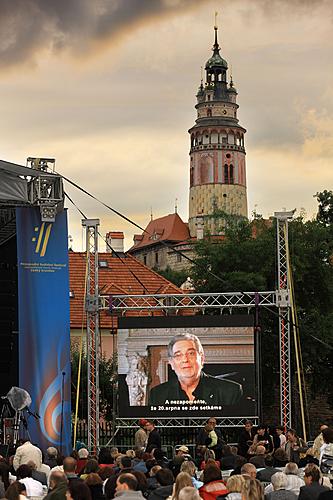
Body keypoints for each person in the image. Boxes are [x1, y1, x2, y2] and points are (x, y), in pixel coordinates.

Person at [148, 334, 242, 406]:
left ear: (202, 358)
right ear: (171, 363)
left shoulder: (231, 391)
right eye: (178, 355)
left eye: (191, 353)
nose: (185, 359)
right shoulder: (157, 394)